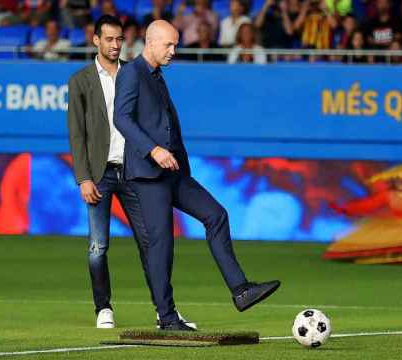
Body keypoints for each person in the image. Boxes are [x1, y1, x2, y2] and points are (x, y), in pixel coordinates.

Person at [114, 20, 280, 331]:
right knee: (162, 244)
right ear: (150, 43)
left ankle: (241, 291)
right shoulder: (131, 73)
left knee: (216, 214)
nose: (174, 51)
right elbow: (121, 118)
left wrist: (174, 158)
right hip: (148, 175)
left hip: (173, 172)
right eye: (169, 45)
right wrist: (154, 150)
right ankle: (166, 317)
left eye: (175, 45)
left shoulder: (156, 76)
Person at [67, 15, 195, 330]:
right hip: (99, 173)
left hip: (134, 171)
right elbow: (77, 133)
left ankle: (163, 310)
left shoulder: (136, 72)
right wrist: (83, 177)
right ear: (95, 40)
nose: (114, 45)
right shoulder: (80, 81)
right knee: (98, 245)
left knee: (151, 241)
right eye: (108, 39)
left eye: (119, 39)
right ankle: (103, 307)